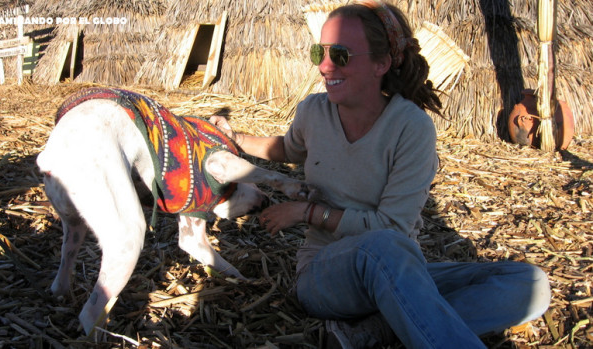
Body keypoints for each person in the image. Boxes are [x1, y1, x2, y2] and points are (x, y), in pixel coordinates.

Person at [210, 1, 551, 347]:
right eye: (319, 52)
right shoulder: (313, 112)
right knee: (383, 252)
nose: (325, 67)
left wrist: (308, 212)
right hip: (324, 274)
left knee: (530, 284)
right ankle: (406, 325)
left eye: (340, 55)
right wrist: (233, 137)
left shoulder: (411, 129)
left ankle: (375, 333)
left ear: (381, 63)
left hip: (394, 268)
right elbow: (286, 149)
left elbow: (392, 228)